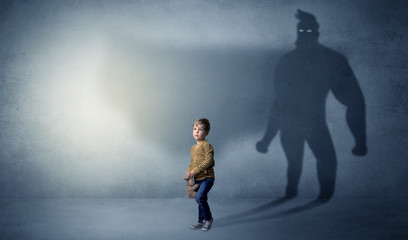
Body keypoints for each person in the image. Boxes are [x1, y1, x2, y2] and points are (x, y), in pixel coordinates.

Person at [256, 10, 367, 201]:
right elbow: (279, 104)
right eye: (303, 31)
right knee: (302, 162)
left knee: (310, 162)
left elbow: (355, 101)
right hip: (303, 124)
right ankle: (300, 193)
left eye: (308, 31)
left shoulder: (310, 61)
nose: (305, 35)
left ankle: (305, 194)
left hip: (305, 124)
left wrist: (360, 140)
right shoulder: (312, 61)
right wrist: (360, 141)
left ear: (316, 33)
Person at [186, 118, 215, 232]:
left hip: (207, 178)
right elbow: (192, 162)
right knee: (200, 200)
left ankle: (208, 219)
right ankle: (200, 221)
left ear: (206, 132)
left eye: (200, 129)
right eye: (194, 129)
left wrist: (195, 170)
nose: (196, 131)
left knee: (200, 198)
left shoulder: (207, 145)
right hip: (197, 178)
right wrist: (189, 171)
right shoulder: (193, 148)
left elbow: (209, 161)